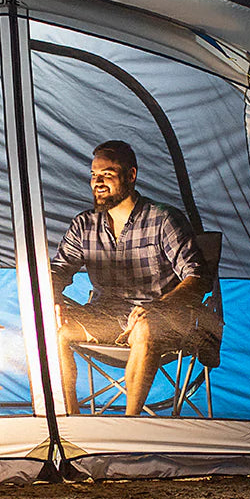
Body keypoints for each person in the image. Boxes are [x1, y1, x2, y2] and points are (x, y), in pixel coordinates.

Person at [51, 140, 214, 416]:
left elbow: (197, 277)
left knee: (146, 326)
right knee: (49, 327)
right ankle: (70, 421)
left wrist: (157, 307)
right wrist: (49, 298)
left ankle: (129, 425)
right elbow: (58, 271)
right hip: (107, 319)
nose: (98, 182)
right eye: (94, 175)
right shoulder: (84, 225)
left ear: (131, 175)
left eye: (107, 174)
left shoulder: (162, 219)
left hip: (162, 322)